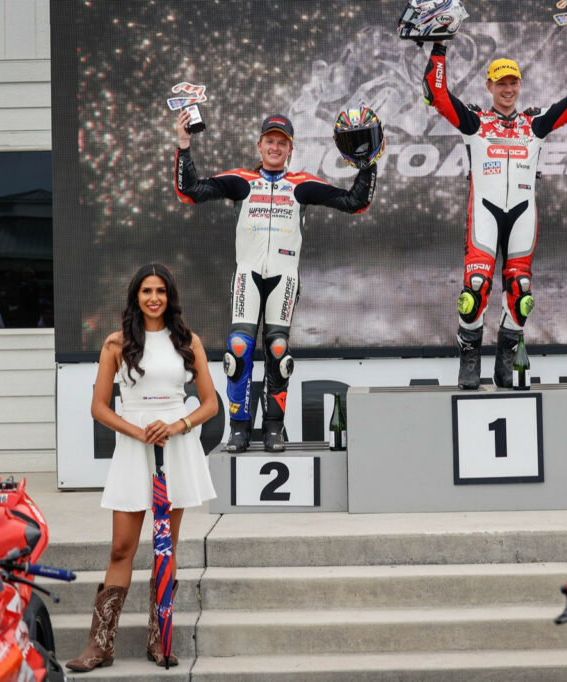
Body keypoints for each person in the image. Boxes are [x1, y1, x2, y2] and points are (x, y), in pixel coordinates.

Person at [174, 110, 377, 452]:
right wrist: (183, 144)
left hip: (284, 277)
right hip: (247, 275)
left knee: (278, 351)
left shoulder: (301, 184)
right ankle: (239, 427)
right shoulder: (240, 180)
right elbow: (189, 191)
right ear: (259, 144)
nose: (275, 147)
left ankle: (273, 428)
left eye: (282, 143)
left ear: (290, 149)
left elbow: (355, 203)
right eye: (270, 141)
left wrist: (368, 163)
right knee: (238, 349)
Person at [422, 29, 567, 389]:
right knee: (475, 288)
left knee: (521, 292)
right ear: (488, 85)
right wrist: (439, 47)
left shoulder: (534, 124)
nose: (507, 89)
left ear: (519, 85)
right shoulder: (474, 122)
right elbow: (437, 94)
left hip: (522, 215)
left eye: (513, 82)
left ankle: (506, 357)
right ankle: (469, 359)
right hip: (484, 213)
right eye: (501, 83)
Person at [66, 263, 218, 671]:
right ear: (135, 296)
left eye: (161, 291)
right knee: (122, 547)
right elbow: (98, 407)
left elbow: (210, 403)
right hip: (134, 449)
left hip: (177, 448)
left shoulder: (188, 341)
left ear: (171, 297)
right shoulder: (116, 343)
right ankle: (100, 645)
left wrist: (177, 424)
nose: (154, 298)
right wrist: (137, 431)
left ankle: (160, 639)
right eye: (147, 291)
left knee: (165, 549)